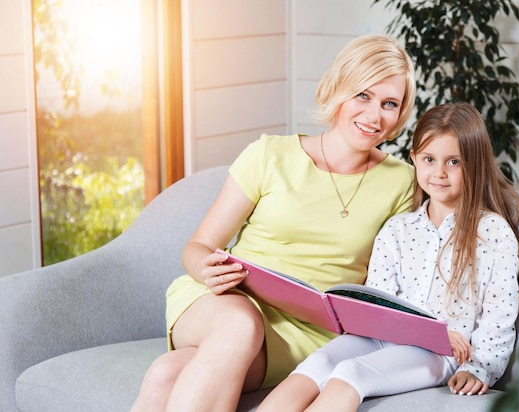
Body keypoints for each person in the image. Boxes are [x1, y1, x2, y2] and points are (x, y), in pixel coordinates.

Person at [131, 33, 417, 412]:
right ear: (338, 90)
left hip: (307, 333)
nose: (373, 115)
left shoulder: (403, 182)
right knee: (239, 326)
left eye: (389, 103)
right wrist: (207, 269)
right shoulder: (269, 154)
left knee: (167, 374)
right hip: (223, 303)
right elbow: (197, 247)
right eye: (362, 95)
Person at [256, 102, 519, 412]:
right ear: (414, 160)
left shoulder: (492, 231)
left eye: (454, 162)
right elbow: (380, 302)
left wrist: (480, 367)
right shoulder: (398, 228)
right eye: (429, 159)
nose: (439, 173)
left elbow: (499, 313)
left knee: (351, 372)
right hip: (385, 338)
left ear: (475, 164)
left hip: (442, 354)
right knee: (320, 361)